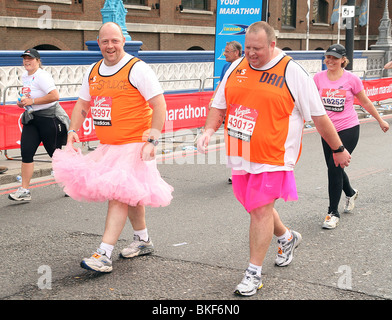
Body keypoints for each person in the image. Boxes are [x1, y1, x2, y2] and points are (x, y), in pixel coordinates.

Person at [197, 21, 351, 297]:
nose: (251, 54)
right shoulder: (237, 66)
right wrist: (208, 130)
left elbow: (318, 116)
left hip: (274, 155)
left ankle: (253, 273)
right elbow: (218, 104)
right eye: (247, 48)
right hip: (241, 153)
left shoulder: (292, 72)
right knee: (255, 207)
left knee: (260, 211)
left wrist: (338, 149)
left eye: (257, 48)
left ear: (272, 44)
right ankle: (287, 238)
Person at [51, 22, 173, 273]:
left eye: (115, 41)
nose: (110, 46)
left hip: (134, 145)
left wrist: (152, 139)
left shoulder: (137, 69)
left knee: (118, 195)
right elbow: (83, 104)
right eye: (105, 41)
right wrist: (73, 131)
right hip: (108, 146)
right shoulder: (93, 71)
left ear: (123, 41)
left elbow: (159, 104)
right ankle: (143, 240)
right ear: (99, 42)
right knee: (130, 194)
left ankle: (103, 253)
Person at [314, 44, 389, 229]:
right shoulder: (318, 78)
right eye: (328, 57)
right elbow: (311, 102)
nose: (330, 61)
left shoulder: (351, 79)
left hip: (348, 128)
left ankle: (333, 213)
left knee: (335, 167)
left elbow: (364, 101)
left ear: (343, 60)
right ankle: (350, 192)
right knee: (335, 168)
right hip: (327, 130)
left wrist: (380, 120)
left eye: (334, 58)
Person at [8, 48, 68, 202]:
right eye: (25, 58)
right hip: (32, 119)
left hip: (49, 119)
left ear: (38, 61)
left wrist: (33, 101)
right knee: (26, 152)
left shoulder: (42, 76)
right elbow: (28, 95)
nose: (27, 61)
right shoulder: (25, 75)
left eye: (30, 59)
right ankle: (25, 190)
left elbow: (54, 96)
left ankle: (69, 183)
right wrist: (22, 102)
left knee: (55, 155)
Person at [209, 41, 242, 184]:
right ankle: (236, 172)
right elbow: (221, 86)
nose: (224, 54)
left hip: (243, 112)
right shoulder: (226, 66)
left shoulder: (245, 67)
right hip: (230, 112)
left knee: (243, 141)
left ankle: (246, 171)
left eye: (227, 51)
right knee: (233, 141)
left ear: (236, 53)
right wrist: (214, 100)